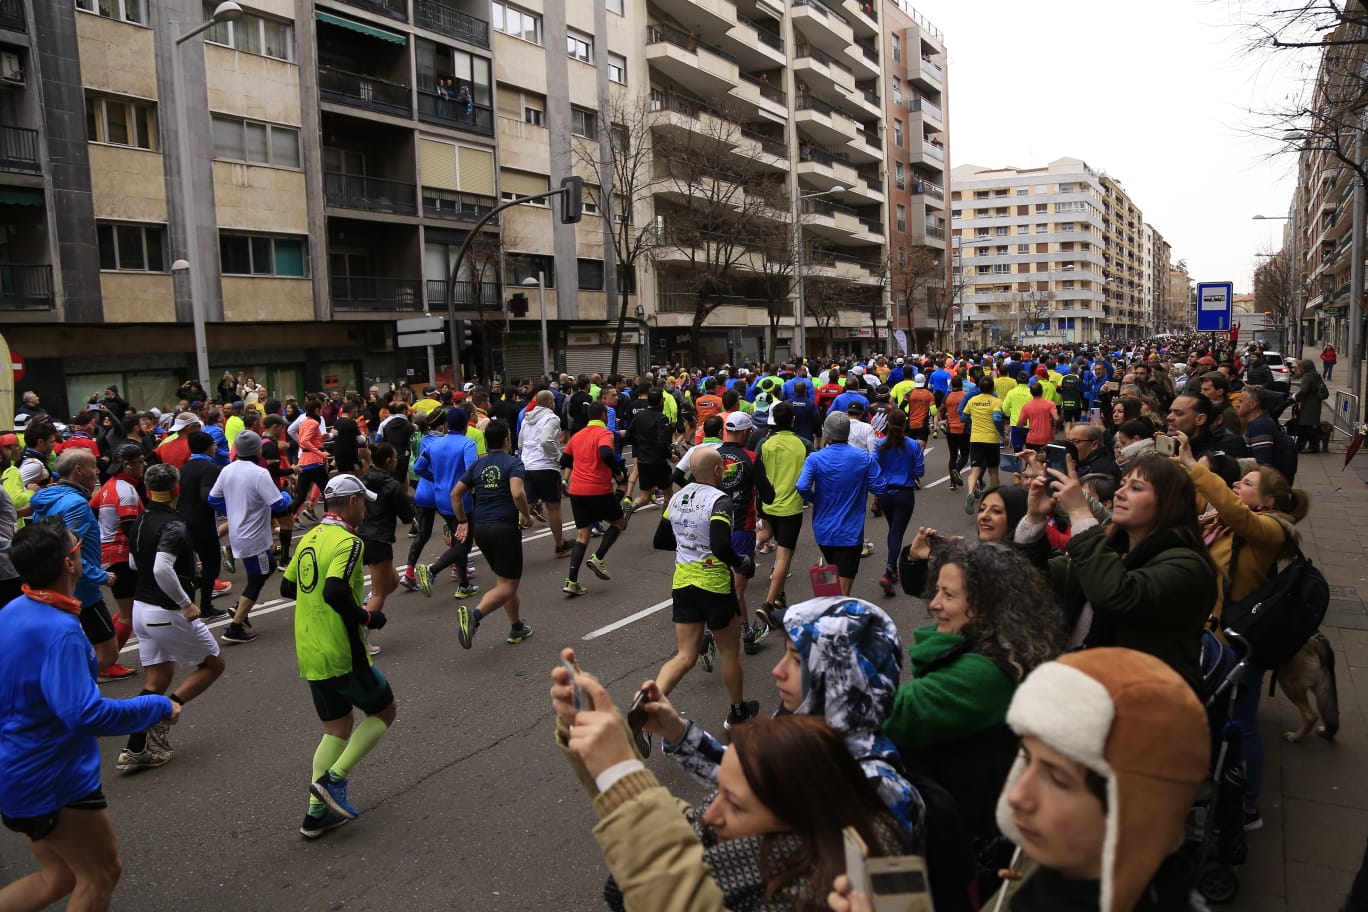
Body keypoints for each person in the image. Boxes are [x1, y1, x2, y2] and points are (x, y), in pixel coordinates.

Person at [551, 651, 907, 912]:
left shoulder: (880, 804)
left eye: (798, 658)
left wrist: (621, 772)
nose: (777, 669)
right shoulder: (816, 772)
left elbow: (676, 886)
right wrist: (601, 749)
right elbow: (677, 832)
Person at [0, 517, 178, 912]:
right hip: (53, 779)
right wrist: (157, 705)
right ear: (69, 563)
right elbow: (83, 714)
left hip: (17, 772)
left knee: (59, 876)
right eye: (76, 545)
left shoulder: (13, 610)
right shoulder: (59, 629)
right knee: (100, 874)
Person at [981, 649, 1210, 911]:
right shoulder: (1051, 880)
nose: (1017, 796)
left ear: (1135, 812)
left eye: (1057, 779)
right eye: (1026, 760)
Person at [884, 541, 1062, 871]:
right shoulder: (998, 649)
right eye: (937, 592)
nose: (935, 604)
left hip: (971, 843)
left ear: (985, 606)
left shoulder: (984, 672)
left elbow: (896, 714)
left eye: (948, 595)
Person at [1175, 432, 1308, 831]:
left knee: (1243, 722)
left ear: (1267, 501)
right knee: (1216, 718)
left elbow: (1235, 512)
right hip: (1213, 634)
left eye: (1247, 484)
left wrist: (1197, 468)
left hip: (1240, 641)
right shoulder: (1227, 521)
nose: (1237, 484)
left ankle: (1248, 806)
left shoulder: (1271, 529)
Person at [1018, 454, 1216, 694]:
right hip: (1083, 683)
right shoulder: (1113, 547)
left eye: (1136, 487)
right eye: (1122, 484)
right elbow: (1035, 579)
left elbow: (1115, 596)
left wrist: (1080, 513)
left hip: (1142, 701)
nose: (1120, 493)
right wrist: (1035, 518)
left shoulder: (1187, 566)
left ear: (1168, 502)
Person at [281, 474, 396, 840]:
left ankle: (316, 814)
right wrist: (366, 617)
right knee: (384, 710)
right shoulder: (349, 541)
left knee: (336, 727)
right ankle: (336, 778)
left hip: (308, 647)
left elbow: (287, 586)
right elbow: (333, 590)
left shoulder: (310, 536)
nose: (365, 508)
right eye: (363, 501)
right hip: (341, 649)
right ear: (352, 504)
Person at [119, 463, 226, 772]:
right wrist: (184, 602)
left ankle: (135, 747)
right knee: (213, 664)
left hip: (142, 610)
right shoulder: (173, 525)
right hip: (166, 610)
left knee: (157, 680)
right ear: (177, 489)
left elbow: (134, 562)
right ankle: (166, 712)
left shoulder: (140, 521)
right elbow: (160, 567)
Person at [652, 447, 759, 729]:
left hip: (683, 582)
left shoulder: (676, 498)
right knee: (729, 652)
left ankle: (650, 704)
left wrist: (689, 545)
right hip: (713, 583)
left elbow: (661, 540)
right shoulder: (720, 501)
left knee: (685, 655)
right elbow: (721, 544)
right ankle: (737, 712)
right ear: (716, 471)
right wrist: (741, 563)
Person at [28, 450, 129, 682]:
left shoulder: (47, 498)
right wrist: (99, 576)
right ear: (78, 470)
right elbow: (70, 548)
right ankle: (68, 691)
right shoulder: (76, 504)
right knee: (108, 651)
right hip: (81, 588)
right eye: (93, 467)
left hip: (53, 581)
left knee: (72, 645)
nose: (97, 472)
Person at [450, 419, 534, 649]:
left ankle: (516, 626)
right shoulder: (513, 463)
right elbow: (517, 493)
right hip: (505, 527)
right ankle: (474, 616)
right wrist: (527, 516)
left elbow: (456, 495)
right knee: (508, 585)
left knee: (503, 580)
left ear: (486, 441)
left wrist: (462, 521)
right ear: (507, 439)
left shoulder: (478, 464)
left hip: (482, 528)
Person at [209, 431, 293, 645]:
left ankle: (239, 610)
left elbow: (213, 498)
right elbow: (279, 505)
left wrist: (233, 510)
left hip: (238, 532)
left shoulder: (227, 470)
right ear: (258, 450)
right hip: (254, 537)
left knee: (266, 569)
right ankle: (235, 626)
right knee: (258, 578)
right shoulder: (259, 473)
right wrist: (285, 495)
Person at [798, 412, 887, 596]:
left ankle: (827, 608)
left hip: (822, 530)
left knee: (833, 575)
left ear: (827, 434)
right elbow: (880, 488)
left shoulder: (815, 458)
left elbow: (802, 486)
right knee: (842, 594)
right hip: (850, 532)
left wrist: (816, 499)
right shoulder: (863, 458)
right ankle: (833, 618)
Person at [752, 401, 811, 633]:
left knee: (766, 534)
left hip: (767, 505)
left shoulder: (764, 443)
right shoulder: (804, 444)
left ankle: (779, 596)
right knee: (783, 558)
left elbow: (755, 469)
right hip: (791, 507)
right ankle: (767, 604)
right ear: (793, 420)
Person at [560, 401, 629, 597]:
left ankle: (572, 580)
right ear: (603, 415)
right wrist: (616, 472)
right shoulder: (604, 434)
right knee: (619, 522)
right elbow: (606, 452)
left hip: (578, 490)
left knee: (583, 534)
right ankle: (598, 557)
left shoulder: (577, 435)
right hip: (598, 488)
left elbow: (564, 460)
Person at [358, 443, 415, 653]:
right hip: (379, 539)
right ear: (390, 461)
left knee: (391, 582)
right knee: (380, 593)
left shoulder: (363, 479)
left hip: (364, 535)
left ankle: (364, 608)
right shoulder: (391, 485)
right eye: (396, 459)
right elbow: (407, 516)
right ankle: (360, 640)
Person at [874, 410, 924, 597]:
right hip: (904, 493)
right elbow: (920, 470)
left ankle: (892, 568)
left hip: (885, 492)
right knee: (896, 531)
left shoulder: (880, 444)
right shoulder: (913, 445)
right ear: (905, 424)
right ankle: (888, 572)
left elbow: (873, 465)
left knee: (893, 529)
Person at [519, 390, 574, 558]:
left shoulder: (526, 418)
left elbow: (521, 442)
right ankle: (560, 545)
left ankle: (506, 543)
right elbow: (545, 440)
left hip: (527, 466)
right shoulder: (552, 418)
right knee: (553, 507)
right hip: (546, 467)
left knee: (525, 507)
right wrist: (558, 457)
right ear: (550, 402)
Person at [961, 376, 1005, 513]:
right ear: (992, 388)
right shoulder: (996, 401)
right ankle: (993, 498)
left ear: (979, 388)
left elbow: (963, 417)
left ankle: (970, 492)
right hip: (991, 439)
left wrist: (972, 422)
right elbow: (997, 418)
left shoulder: (973, 400)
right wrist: (1002, 433)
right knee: (993, 471)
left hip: (976, 438)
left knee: (975, 469)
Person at [1293, 358, 1329, 453]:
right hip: (1315, 403)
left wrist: (1295, 396)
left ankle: (1313, 446)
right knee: (1307, 425)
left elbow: (1304, 390)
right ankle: (1302, 445)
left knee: (1306, 426)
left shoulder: (1307, 376)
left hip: (1309, 404)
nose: (1299, 368)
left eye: (1300, 367)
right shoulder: (1315, 375)